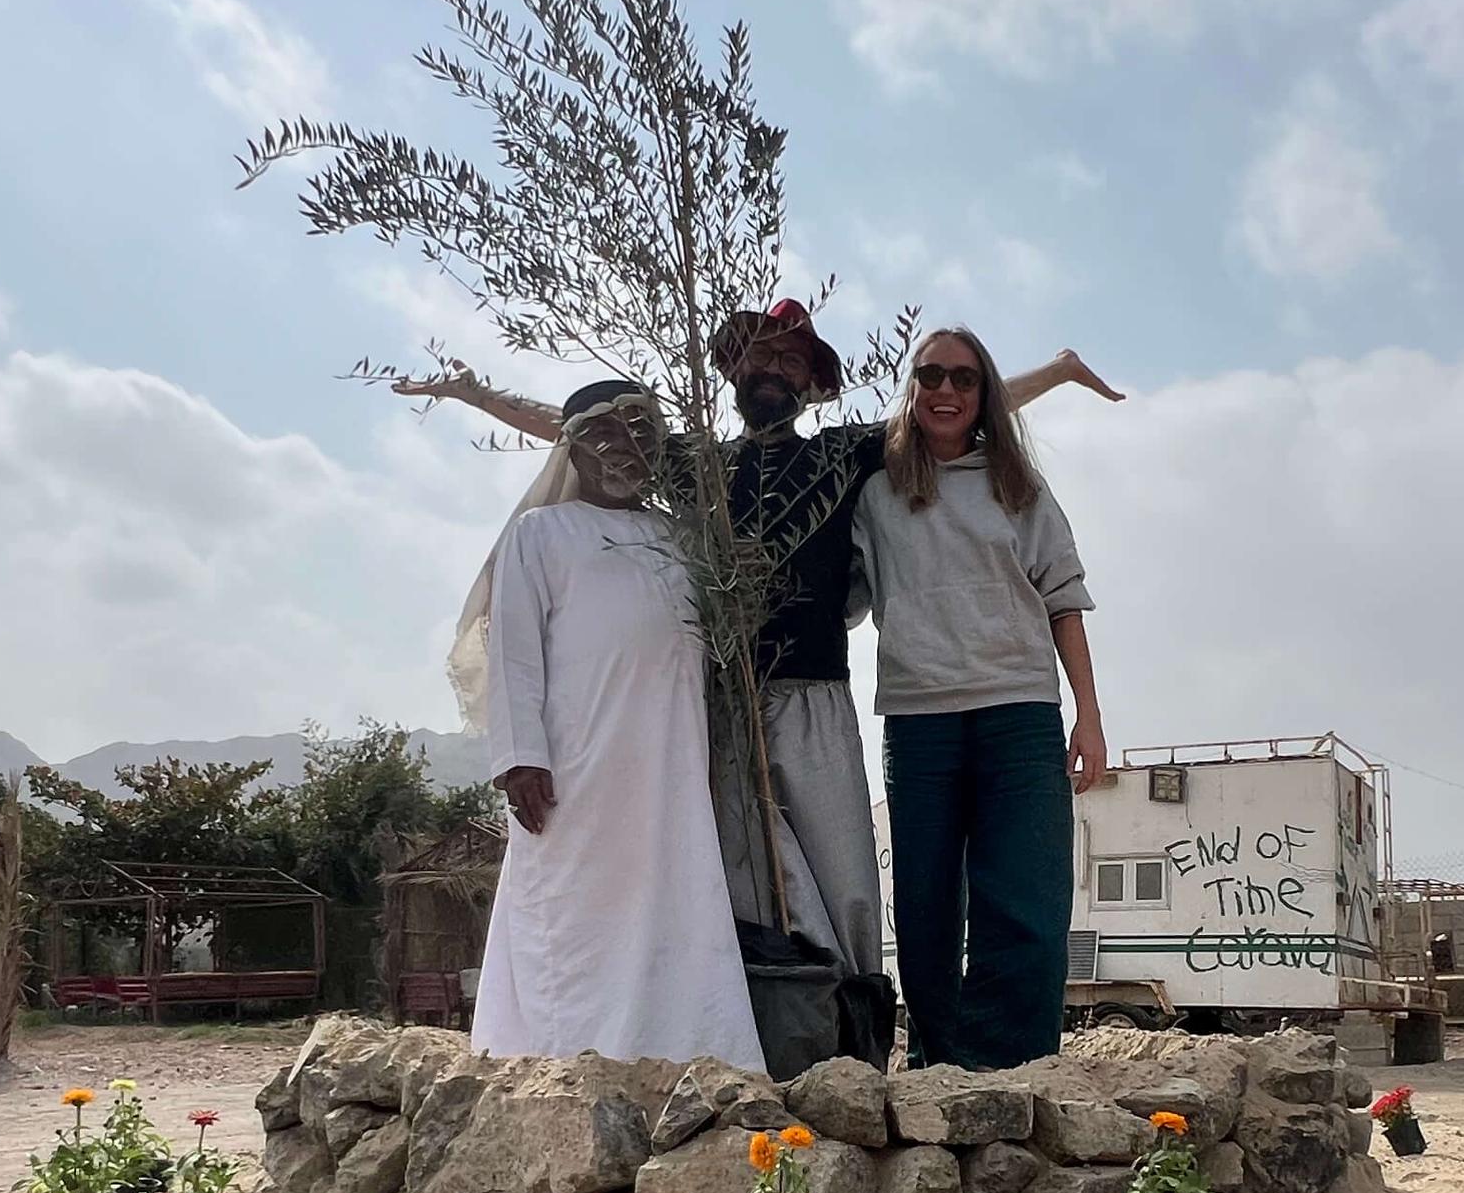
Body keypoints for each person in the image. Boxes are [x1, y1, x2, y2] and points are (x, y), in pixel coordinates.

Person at [406, 315, 1116, 982]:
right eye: (760, 355)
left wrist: (1053, 374)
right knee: (735, 878)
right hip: (719, 707)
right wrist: (474, 393)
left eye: (790, 359)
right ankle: (759, 1030)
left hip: (816, 699)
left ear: (811, 384)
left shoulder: (843, 457)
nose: (773, 369)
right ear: (732, 369)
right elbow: (579, 427)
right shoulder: (695, 467)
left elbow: (952, 406)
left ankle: (853, 1020)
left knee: (845, 877)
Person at [469, 380, 765, 1067]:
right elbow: (514, 648)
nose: (626, 445)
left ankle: (682, 1056)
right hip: (575, 769)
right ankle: (564, 1061)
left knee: (674, 904)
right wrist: (520, 756)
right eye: (608, 430)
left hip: (669, 768)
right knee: (572, 916)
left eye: (642, 429)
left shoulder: (680, 538)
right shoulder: (540, 533)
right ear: (574, 445)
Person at [857, 327, 1107, 1071]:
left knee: (1025, 895)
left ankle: (1014, 1068)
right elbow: (836, 593)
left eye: (963, 379)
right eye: (930, 374)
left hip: (1019, 711)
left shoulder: (1017, 485)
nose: (945, 390)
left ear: (982, 393)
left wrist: (1088, 715)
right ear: (911, 385)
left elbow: (1063, 596)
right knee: (927, 905)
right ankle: (939, 1064)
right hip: (917, 718)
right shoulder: (876, 491)